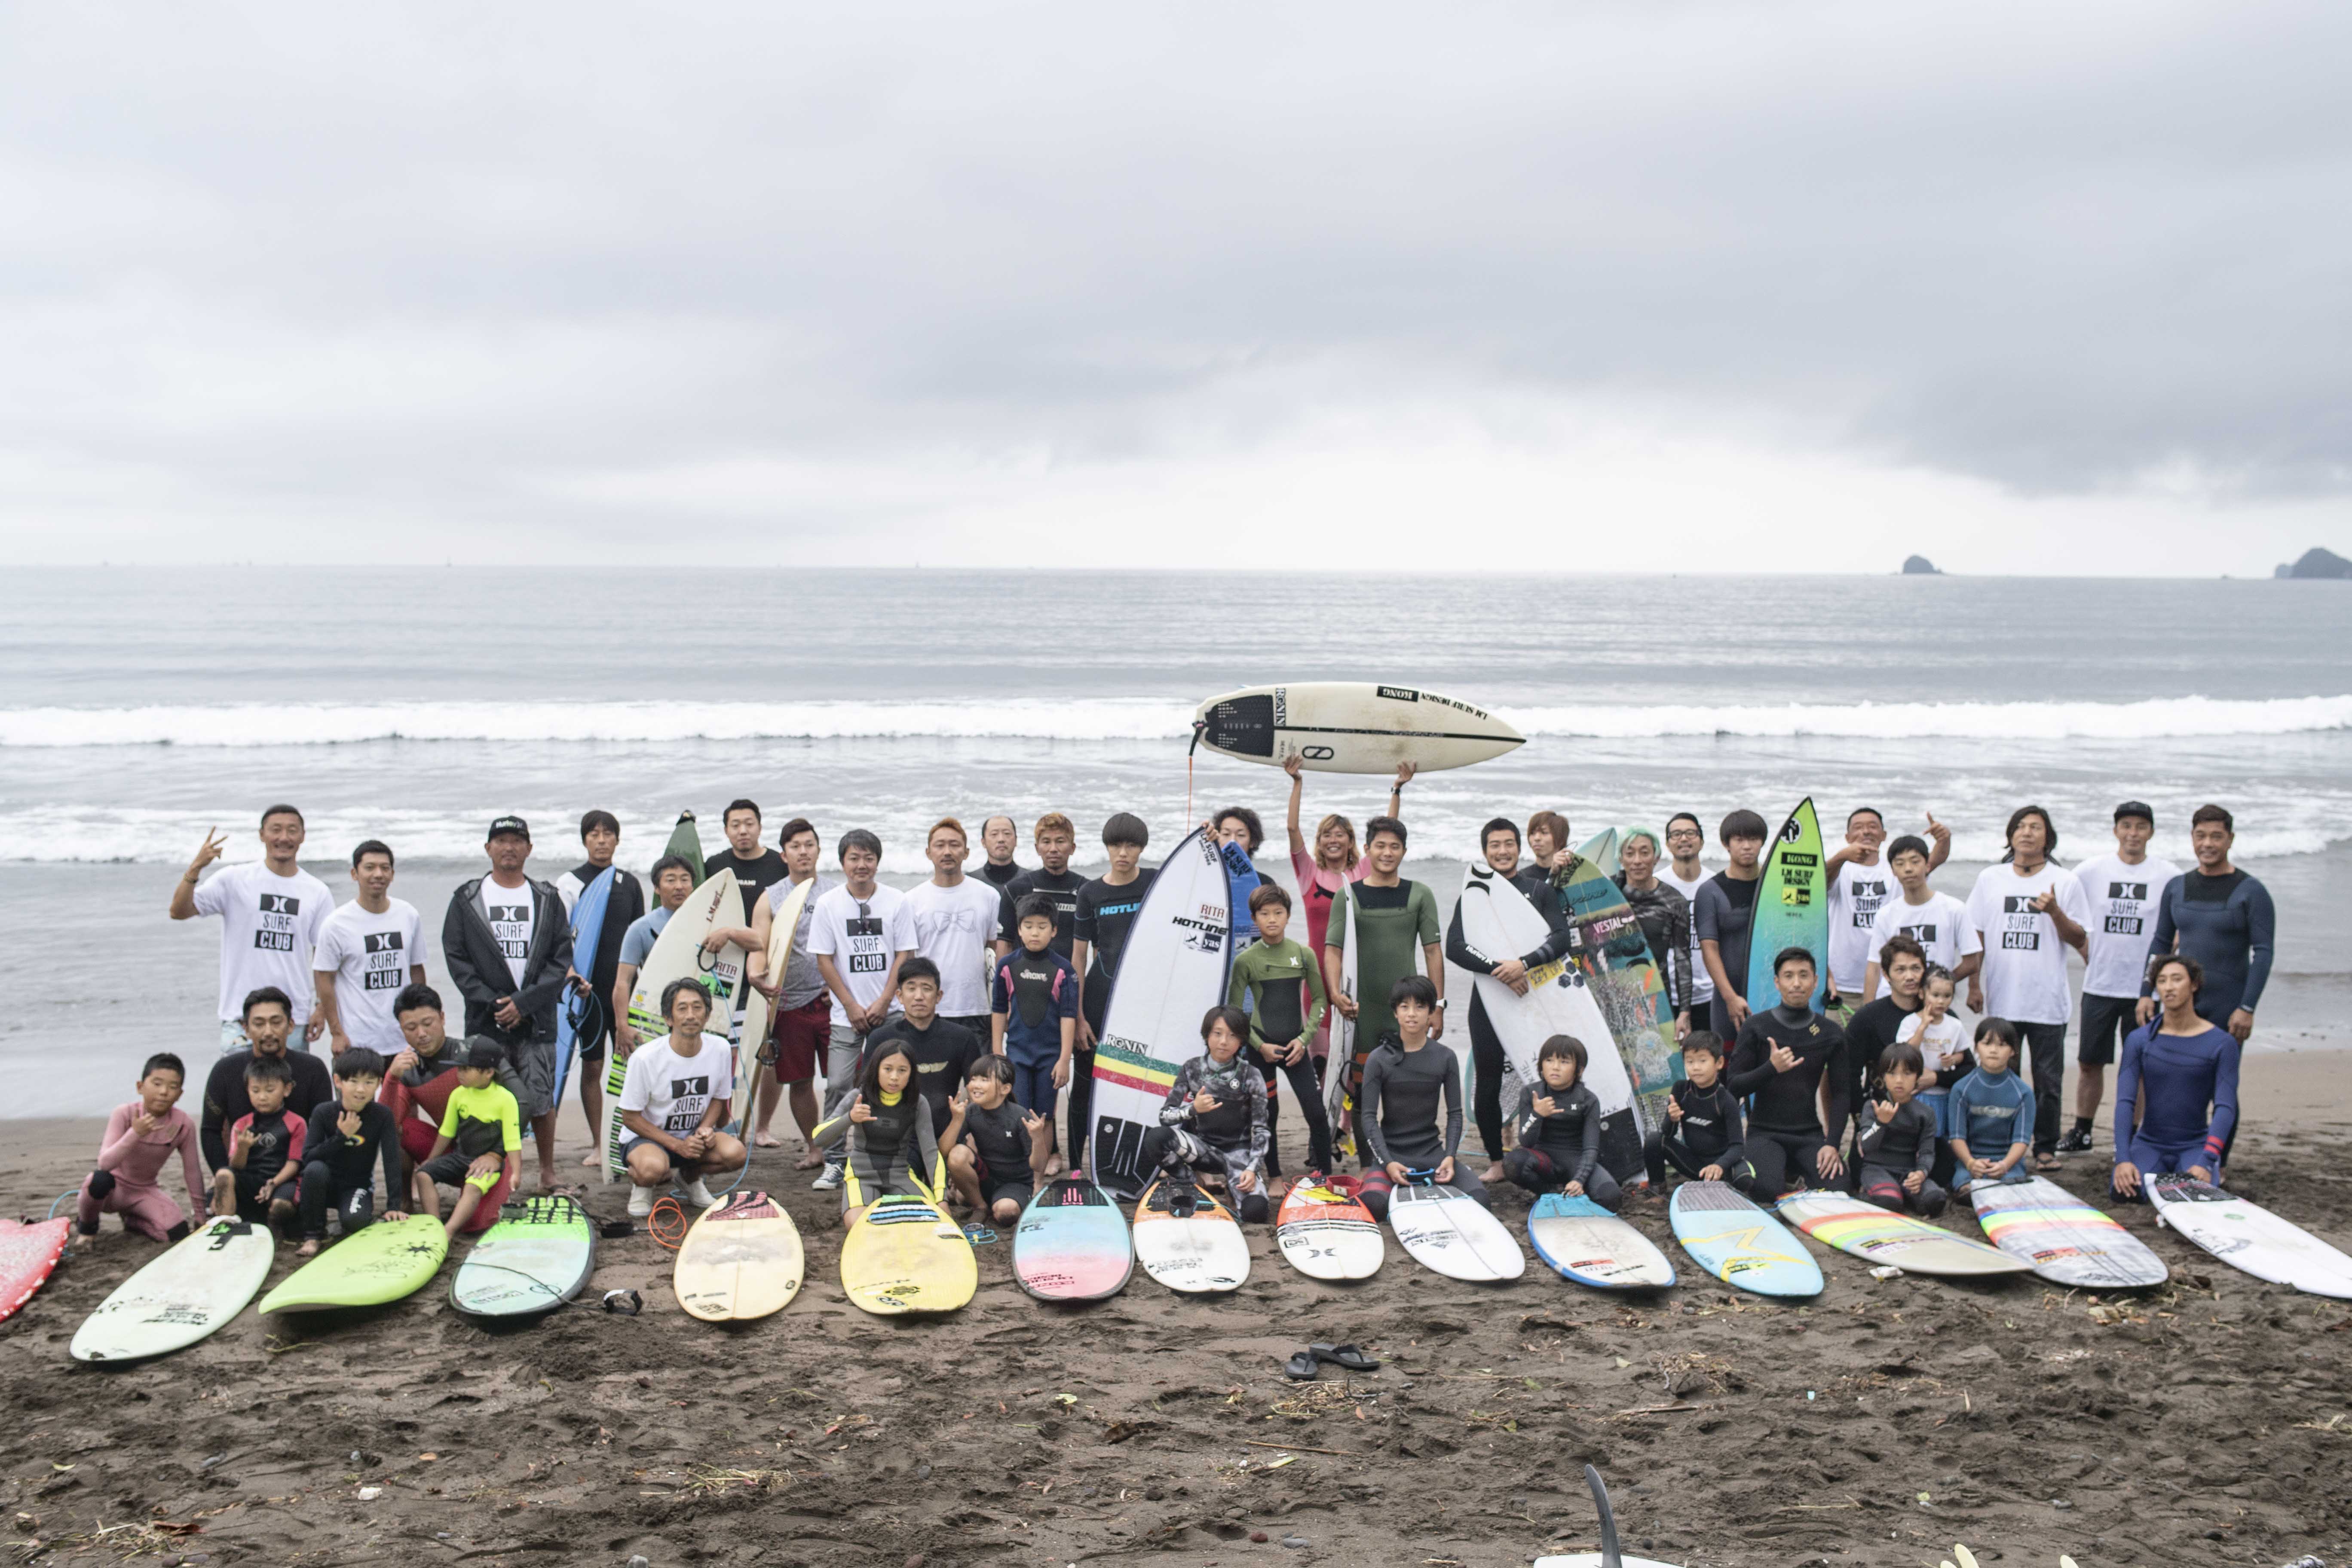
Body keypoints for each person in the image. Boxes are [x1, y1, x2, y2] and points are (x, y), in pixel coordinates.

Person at [441, 815, 573, 1191]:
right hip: (486, 1021)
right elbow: (456, 958)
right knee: (483, 1099)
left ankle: (547, 1172)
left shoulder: (546, 898)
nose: (509, 847)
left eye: (517, 840)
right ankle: (486, 1172)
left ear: (529, 849)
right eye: (500, 840)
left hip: (538, 1020)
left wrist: (524, 1003)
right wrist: (495, 1002)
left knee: (540, 1099)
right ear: (488, 849)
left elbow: (560, 958)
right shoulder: (467, 899)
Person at [1446, 816, 1574, 1180]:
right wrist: (1499, 971)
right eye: (1494, 846)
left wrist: (1525, 965)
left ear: (1519, 848)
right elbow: (1455, 947)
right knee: (1488, 1082)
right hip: (1489, 1000)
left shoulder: (1539, 890)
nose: (1502, 851)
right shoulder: (1473, 895)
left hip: (1535, 997)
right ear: (1485, 852)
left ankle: (1548, 1151)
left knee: (1549, 1076)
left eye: (1508, 844)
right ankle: (1497, 1162)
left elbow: (1560, 939)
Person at [1965, 805, 2089, 1170]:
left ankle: (2045, 1147)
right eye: (2020, 826)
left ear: (2048, 837)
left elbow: (2079, 937)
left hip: (2047, 1002)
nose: (2027, 832)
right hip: (2004, 1001)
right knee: (2003, 1079)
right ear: (2010, 836)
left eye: (2036, 827)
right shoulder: (1991, 878)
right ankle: (2004, 1145)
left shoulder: (2065, 881)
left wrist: (2054, 912)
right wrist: (1975, 984)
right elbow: (1977, 935)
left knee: (2048, 1083)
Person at [2061, 801, 2180, 1154]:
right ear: (2116, 830)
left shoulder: (2169, 875)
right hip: (2100, 984)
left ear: (2151, 833)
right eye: (2126, 826)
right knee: (2089, 1062)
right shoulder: (2091, 870)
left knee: (2140, 1065)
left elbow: (2179, 927)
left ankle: (2133, 1133)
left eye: (2141, 827)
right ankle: (2082, 1130)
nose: (2133, 833)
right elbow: (2069, 916)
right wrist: (2085, 949)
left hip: (2145, 989)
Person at [170, 806, 335, 1053]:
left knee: (291, 1090)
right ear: (262, 835)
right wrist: (195, 868)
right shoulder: (235, 880)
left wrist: (322, 1007)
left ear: (303, 836)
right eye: (276, 830)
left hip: (292, 1019)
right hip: (240, 1016)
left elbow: (326, 955)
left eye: (292, 831)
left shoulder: (317, 891)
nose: (284, 838)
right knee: (239, 1089)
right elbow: (179, 911)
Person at [807, 828, 917, 1190]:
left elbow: (905, 954)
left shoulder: (897, 900)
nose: (862, 865)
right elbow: (824, 960)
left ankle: (902, 1156)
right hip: (845, 1016)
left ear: (878, 862)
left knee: (898, 1083)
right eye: (854, 858)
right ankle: (834, 1161)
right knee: (838, 1084)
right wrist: (851, 1005)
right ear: (842, 863)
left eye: (869, 858)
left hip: (892, 1011)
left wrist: (886, 1001)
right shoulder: (828, 904)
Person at [1323, 815, 1444, 1128]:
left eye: (1395, 847)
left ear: (1404, 851)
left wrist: (1437, 1006)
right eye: (1381, 846)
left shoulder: (1420, 894)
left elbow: (1433, 952)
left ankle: (1401, 1155)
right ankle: (1367, 1167)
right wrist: (1336, 994)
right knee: (1364, 1089)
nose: (1387, 853)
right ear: (1366, 849)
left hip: (1407, 1010)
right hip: (1362, 1010)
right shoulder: (1348, 896)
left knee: (1403, 1088)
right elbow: (1333, 951)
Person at [1283, 757, 1404, 1067]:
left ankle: (1351, 1118)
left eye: (1340, 835)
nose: (1333, 840)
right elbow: (1292, 828)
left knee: (1355, 1051)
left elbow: (1387, 835)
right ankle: (1328, 1115)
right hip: (1318, 974)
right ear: (1320, 843)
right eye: (1327, 835)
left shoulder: (1364, 871)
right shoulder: (1308, 873)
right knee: (1323, 1055)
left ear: (1352, 842)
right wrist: (1298, 782)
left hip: (1357, 971)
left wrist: (1397, 789)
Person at [2139, 804, 2275, 1047]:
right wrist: (2146, 993)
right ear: (2192, 838)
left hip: (2228, 1007)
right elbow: (2161, 943)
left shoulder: (2252, 891)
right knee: (2175, 1079)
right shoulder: (2176, 887)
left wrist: (2247, 1007)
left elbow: (2263, 952)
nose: (2208, 844)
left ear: (2230, 840)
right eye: (2201, 836)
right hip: (2181, 1005)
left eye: (2217, 836)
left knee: (2220, 1082)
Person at [553, 810, 646, 1159]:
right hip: (587, 993)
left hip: (625, 991)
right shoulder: (570, 883)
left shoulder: (629, 883)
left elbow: (640, 936)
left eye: (608, 834)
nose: (602, 840)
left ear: (618, 840)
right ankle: (597, 1143)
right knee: (593, 1064)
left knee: (632, 1065)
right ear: (584, 840)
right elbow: (560, 939)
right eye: (594, 833)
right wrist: (573, 976)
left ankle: (628, 1138)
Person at [1724, 948, 1850, 1200]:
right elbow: (1733, 1087)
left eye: (1804, 976)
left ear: (1816, 982)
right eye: (1789, 976)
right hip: (1764, 1132)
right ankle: (1781, 1171)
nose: (1796, 983)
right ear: (1777, 982)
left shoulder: (1830, 1033)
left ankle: (1796, 1170)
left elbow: (1842, 1093)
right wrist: (1771, 1068)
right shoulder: (1756, 1027)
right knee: (1766, 1191)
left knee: (1840, 1189)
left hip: (1809, 1134)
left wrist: (1832, 1144)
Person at [1226, 883, 1334, 1175]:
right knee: (1267, 1116)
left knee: (1316, 1113)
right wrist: (1259, 1046)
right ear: (1254, 919)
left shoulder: (1303, 954)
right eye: (1264, 914)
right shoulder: (1245, 961)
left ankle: (1324, 1175)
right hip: (1262, 1051)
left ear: (1288, 916)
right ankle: (1274, 1176)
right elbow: (1236, 1014)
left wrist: (1305, 1039)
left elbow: (1321, 1000)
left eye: (1278, 913)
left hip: (1296, 1047)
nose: (1272, 919)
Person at [743, 818, 836, 1158]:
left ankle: (844, 1146)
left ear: (818, 849)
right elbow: (760, 946)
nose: (803, 852)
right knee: (800, 1082)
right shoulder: (771, 897)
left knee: (845, 1082)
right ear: (783, 855)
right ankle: (815, 1149)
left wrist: (839, 987)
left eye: (809, 845)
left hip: (832, 1002)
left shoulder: (835, 893)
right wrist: (756, 975)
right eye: (795, 847)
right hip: (789, 1003)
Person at [617, 980, 749, 1218]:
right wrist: (677, 1145)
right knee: (652, 1169)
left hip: (691, 1137)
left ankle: (689, 1180)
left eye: (698, 1008)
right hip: (647, 1138)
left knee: (736, 1153)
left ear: (708, 1015)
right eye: (682, 1008)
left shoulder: (719, 1048)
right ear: (669, 1018)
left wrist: (705, 1131)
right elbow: (630, 1117)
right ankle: (642, 1187)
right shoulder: (645, 1058)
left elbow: (719, 1099)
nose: (691, 1015)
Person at [2112, 955, 2240, 1200]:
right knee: (2126, 1191)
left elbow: (2225, 1107)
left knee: (2198, 1192)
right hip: (2149, 1142)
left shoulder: (2222, 1044)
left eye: (2177, 979)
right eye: (2161, 981)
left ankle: (2172, 1185)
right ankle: (2167, 1187)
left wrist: (2207, 1161)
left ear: (2194, 985)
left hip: (2195, 1145)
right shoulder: (2139, 1040)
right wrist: (2123, 1159)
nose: (2169, 987)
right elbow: (2125, 1102)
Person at [1071, 812, 1155, 1170]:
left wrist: (1208, 841)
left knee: (1140, 1082)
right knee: (1086, 1084)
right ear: (1106, 847)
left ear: (1141, 849)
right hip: (1099, 998)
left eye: (1131, 845)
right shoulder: (1091, 893)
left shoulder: (1156, 882)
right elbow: (1078, 955)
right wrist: (1077, 1018)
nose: (1123, 853)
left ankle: (1136, 1162)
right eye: (1116, 845)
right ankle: (1076, 1165)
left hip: (1143, 1000)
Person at [1354, 977, 1478, 1218]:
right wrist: (1387, 1162)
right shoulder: (1378, 1059)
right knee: (1374, 1204)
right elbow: (1368, 1117)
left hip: (1433, 1156)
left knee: (1481, 1199)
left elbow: (1455, 1115)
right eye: (1404, 1007)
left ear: (1432, 1012)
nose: (1412, 1014)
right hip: (1391, 1156)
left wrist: (1450, 1157)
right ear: (1396, 1013)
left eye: (1420, 1007)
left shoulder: (1446, 1057)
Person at [1135, 1006, 1273, 1222]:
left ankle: (1232, 1186)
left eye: (1232, 1035)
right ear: (1207, 1035)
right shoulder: (1192, 1069)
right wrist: (1193, 1110)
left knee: (1255, 1212)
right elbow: (1165, 1116)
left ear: (1242, 1041)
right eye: (1217, 1033)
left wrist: (1253, 1169)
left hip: (1238, 1153)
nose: (1224, 1042)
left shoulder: (1251, 1075)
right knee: (1156, 1137)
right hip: (1203, 1151)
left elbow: (1261, 1129)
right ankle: (1192, 1183)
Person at [811, 1037, 959, 1226]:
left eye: (902, 1070)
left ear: (911, 1073)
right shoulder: (859, 1097)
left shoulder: (918, 1103)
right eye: (888, 1069)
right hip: (861, 1175)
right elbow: (818, 1138)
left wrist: (941, 1199)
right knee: (859, 1225)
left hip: (900, 1175)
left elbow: (931, 1152)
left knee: (931, 1221)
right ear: (877, 1069)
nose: (894, 1077)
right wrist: (850, 1118)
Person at [1823, 808, 1951, 1015]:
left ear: (1884, 835)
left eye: (1873, 827)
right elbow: (1815, 885)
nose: (1866, 832)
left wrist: (1944, 840)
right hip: (1841, 984)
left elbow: (1930, 863)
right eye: (1858, 828)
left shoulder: (1896, 868)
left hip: (1889, 985)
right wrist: (1842, 857)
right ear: (1847, 837)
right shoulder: (1840, 869)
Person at [200, 987, 334, 1175]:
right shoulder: (225, 1071)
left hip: (297, 1175)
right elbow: (210, 1131)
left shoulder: (313, 1069)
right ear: (246, 1028)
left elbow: (325, 1129)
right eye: (259, 1024)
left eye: (276, 1022)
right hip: (242, 1174)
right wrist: (223, 1172)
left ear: (290, 1026)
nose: (269, 1032)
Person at [312, 840, 427, 1056]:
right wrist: (337, 1033)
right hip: (357, 1040)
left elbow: (416, 971)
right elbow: (324, 978)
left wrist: (421, 1021)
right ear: (355, 874)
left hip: (403, 1039)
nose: (378, 874)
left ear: (392, 875)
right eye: (370, 868)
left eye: (385, 868)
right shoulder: (337, 924)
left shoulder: (408, 915)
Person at [992, 894, 1079, 1170]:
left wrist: (1065, 1058)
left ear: (1054, 931)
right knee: (1019, 1111)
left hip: (1049, 1056)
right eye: (1028, 926)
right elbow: (998, 1009)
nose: (1035, 932)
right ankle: (1022, 1163)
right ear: (1019, 929)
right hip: (1017, 1052)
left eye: (1042, 926)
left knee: (1046, 1114)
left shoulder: (1063, 970)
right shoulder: (1007, 966)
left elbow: (1069, 1015)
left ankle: (1042, 1164)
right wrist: (997, 1050)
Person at [78, 1054, 205, 1242]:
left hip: (145, 1192)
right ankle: (87, 1230)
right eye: (157, 1084)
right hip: (112, 1190)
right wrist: (135, 1133)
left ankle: (134, 1222)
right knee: (97, 1181)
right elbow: (104, 1164)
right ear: (140, 1087)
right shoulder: (124, 1113)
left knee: (177, 1233)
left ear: (180, 1094)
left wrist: (200, 1217)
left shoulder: (183, 1125)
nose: (164, 1092)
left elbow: (193, 1172)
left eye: (173, 1087)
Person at [859, 959, 986, 1140]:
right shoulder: (880, 1038)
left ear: (939, 995)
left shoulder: (962, 1038)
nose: (919, 996)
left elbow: (978, 1091)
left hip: (946, 1134)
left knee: (960, 1159)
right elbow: (867, 1091)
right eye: (911, 988)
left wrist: (975, 1138)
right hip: (897, 1136)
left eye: (927, 988)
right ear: (900, 996)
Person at [295, 1047, 405, 1256]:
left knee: (355, 1221)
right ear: (338, 1081)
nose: (361, 1090)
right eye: (353, 1081)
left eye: (369, 1082)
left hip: (356, 1187)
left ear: (379, 1084)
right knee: (315, 1170)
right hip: (323, 1185)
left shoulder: (382, 1115)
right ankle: (313, 1236)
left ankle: (344, 1221)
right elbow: (308, 1157)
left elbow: (391, 1160)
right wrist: (341, 1137)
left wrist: (393, 1205)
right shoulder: (324, 1112)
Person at [409, 1037, 523, 1238]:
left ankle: (449, 1230)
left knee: (472, 1186)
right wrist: (432, 1158)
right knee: (423, 1175)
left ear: (488, 1072)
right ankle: (433, 1225)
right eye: (459, 1068)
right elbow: (447, 1131)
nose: (459, 1074)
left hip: (488, 1164)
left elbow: (513, 1140)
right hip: (460, 1157)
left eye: (466, 1069)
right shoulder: (458, 1095)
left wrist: (516, 1172)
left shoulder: (506, 1100)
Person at [904, 818, 1004, 1038]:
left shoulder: (988, 896)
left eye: (955, 845)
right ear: (928, 852)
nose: (947, 851)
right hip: (929, 1009)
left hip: (978, 1008)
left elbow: (996, 952)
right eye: (940, 845)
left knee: (979, 1074)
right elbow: (908, 960)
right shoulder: (911, 900)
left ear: (967, 852)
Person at [1501, 1035, 1622, 1211]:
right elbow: (1526, 1142)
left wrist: (1579, 1179)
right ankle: (1548, 1193)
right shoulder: (1531, 1093)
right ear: (1541, 1065)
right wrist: (1537, 1115)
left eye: (1564, 1062)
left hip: (1576, 1160)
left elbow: (1591, 1148)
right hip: (1543, 1161)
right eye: (1549, 1060)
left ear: (1579, 1070)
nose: (1555, 1067)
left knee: (1611, 1197)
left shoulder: (1588, 1100)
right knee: (1513, 1163)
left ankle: (1574, 1191)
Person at [702, 799, 790, 1036]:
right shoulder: (715, 865)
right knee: (724, 1037)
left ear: (760, 827)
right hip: (725, 963)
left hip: (766, 964)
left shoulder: (778, 865)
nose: (743, 831)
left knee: (764, 1044)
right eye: (736, 825)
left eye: (749, 824)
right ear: (726, 831)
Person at [1859, 835, 1982, 1001]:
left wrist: (1938, 985)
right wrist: (1868, 1012)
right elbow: (1874, 966)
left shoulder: (1954, 909)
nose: (1908, 869)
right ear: (1893, 871)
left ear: (1928, 865)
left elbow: (1971, 963)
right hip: (1893, 999)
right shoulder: (1886, 914)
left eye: (1915, 861)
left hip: (1935, 1003)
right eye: (1900, 863)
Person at [1842, 933, 1927, 1167]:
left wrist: (1939, 1076)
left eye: (1916, 968)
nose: (1910, 976)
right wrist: (1862, 1119)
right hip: (1881, 1113)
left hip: (1925, 1118)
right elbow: (1848, 1074)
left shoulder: (1939, 1016)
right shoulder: (1867, 1018)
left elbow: (1967, 1068)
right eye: (1900, 970)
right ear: (1887, 975)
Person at [946, 1055, 1050, 1225]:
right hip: (987, 1178)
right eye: (973, 1079)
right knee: (957, 1155)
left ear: (1005, 1089)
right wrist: (956, 1120)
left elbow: (1038, 1166)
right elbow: (945, 1150)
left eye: (985, 1080)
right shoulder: (971, 1112)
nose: (976, 1085)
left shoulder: (1019, 1116)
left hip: (1016, 1183)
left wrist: (1038, 1138)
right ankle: (981, 1206)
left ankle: (989, 1200)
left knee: (1005, 1213)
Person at [1612, 827, 1694, 1041]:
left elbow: (1682, 959)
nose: (1637, 860)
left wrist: (1684, 1012)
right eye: (1630, 854)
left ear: (1656, 857)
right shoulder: (1608, 894)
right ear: (1621, 859)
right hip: (1612, 996)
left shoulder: (1674, 902)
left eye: (1645, 852)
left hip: (1656, 997)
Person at [208, 1055, 304, 1229]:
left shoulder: (296, 1123)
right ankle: (224, 1225)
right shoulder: (242, 1124)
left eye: (270, 1090)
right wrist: (243, 1148)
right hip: (252, 1179)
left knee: (281, 1206)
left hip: (281, 1181)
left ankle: (275, 1231)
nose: (262, 1097)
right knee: (224, 1175)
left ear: (287, 1089)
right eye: (256, 1091)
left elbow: (294, 1164)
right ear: (248, 1090)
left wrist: (274, 1183)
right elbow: (236, 1166)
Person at [1694, 810, 1769, 1033]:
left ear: (1762, 842)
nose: (1747, 846)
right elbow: (1709, 949)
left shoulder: (1774, 886)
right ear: (1727, 844)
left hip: (1772, 992)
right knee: (1726, 1064)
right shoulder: (1710, 891)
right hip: (1728, 996)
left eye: (1753, 839)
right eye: (1739, 840)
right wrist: (1730, 997)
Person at [614, 856, 699, 1051]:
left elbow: (754, 941)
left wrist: (728, 933)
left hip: (696, 1015)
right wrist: (622, 1025)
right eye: (671, 880)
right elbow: (623, 981)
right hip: (656, 1014)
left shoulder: (710, 923)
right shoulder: (641, 929)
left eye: (685, 879)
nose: (679, 886)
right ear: (657, 888)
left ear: (693, 886)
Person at [1894, 965, 1970, 1182]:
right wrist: (1923, 1027)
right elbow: (1906, 1053)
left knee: (1941, 1138)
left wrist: (1953, 1059)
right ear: (1922, 993)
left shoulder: (1954, 1025)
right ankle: (1915, 1173)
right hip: (1918, 1094)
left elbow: (1964, 1055)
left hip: (1944, 1094)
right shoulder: (1910, 1023)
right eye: (1935, 995)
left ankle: (1940, 1176)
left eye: (1947, 996)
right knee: (1918, 1137)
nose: (1941, 1001)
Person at [1642, 1032, 1745, 1190]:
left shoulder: (1726, 1100)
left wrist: (1718, 1166)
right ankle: (1657, 1188)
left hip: (1720, 1166)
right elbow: (1667, 1133)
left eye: (1703, 1061)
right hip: (1694, 1163)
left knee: (1745, 1178)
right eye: (1690, 1062)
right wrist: (1672, 1119)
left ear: (1719, 1063)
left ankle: (1723, 1188)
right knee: (1654, 1140)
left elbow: (1737, 1147)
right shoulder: (1681, 1089)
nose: (1696, 1067)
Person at [1854, 1043, 1946, 1217]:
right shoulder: (1873, 1107)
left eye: (1907, 1073)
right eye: (1892, 1073)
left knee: (1936, 1199)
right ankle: (1870, 1195)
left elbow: (1927, 1152)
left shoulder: (1926, 1113)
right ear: (1883, 1077)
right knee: (1890, 1201)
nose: (1899, 1080)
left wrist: (1921, 1174)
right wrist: (1881, 1123)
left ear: (1918, 1076)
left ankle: (1904, 1194)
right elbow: (1866, 1146)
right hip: (1877, 1169)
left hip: (1908, 1172)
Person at [1944, 1019, 2035, 1193]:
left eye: (2002, 1045)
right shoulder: (1961, 1089)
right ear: (1976, 1047)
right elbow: (1957, 1136)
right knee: (1967, 1191)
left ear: (2014, 1051)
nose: (1993, 1050)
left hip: (2008, 1164)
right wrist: (1971, 1164)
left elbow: (2022, 1140)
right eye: (1987, 1044)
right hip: (1970, 1162)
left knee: (2009, 1191)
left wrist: (2005, 1165)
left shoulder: (2023, 1093)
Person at [1657, 813, 1718, 1035]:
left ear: (1701, 841)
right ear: (1668, 844)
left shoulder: (1716, 885)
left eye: (1690, 833)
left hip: (1711, 994)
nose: (1684, 839)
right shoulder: (1656, 885)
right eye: (1676, 834)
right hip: (1667, 994)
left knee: (1708, 1063)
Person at [993, 814, 1085, 958]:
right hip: (1023, 977)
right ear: (1037, 848)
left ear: (1072, 848)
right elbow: (1005, 943)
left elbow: (1096, 946)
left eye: (1060, 841)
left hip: (1068, 978)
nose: (1053, 849)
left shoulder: (1085, 890)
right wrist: (1002, 980)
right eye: (1046, 842)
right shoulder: (1016, 890)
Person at [1210, 806, 1267, 949]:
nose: (1233, 842)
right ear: (1217, 838)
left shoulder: (1264, 884)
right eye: (1226, 834)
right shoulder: (1204, 878)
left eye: (1241, 835)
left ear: (1253, 842)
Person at [976, 815, 1024, 891]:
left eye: (1007, 833)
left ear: (1016, 840)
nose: (1001, 839)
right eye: (994, 834)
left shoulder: (1031, 881)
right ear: (983, 842)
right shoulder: (972, 881)